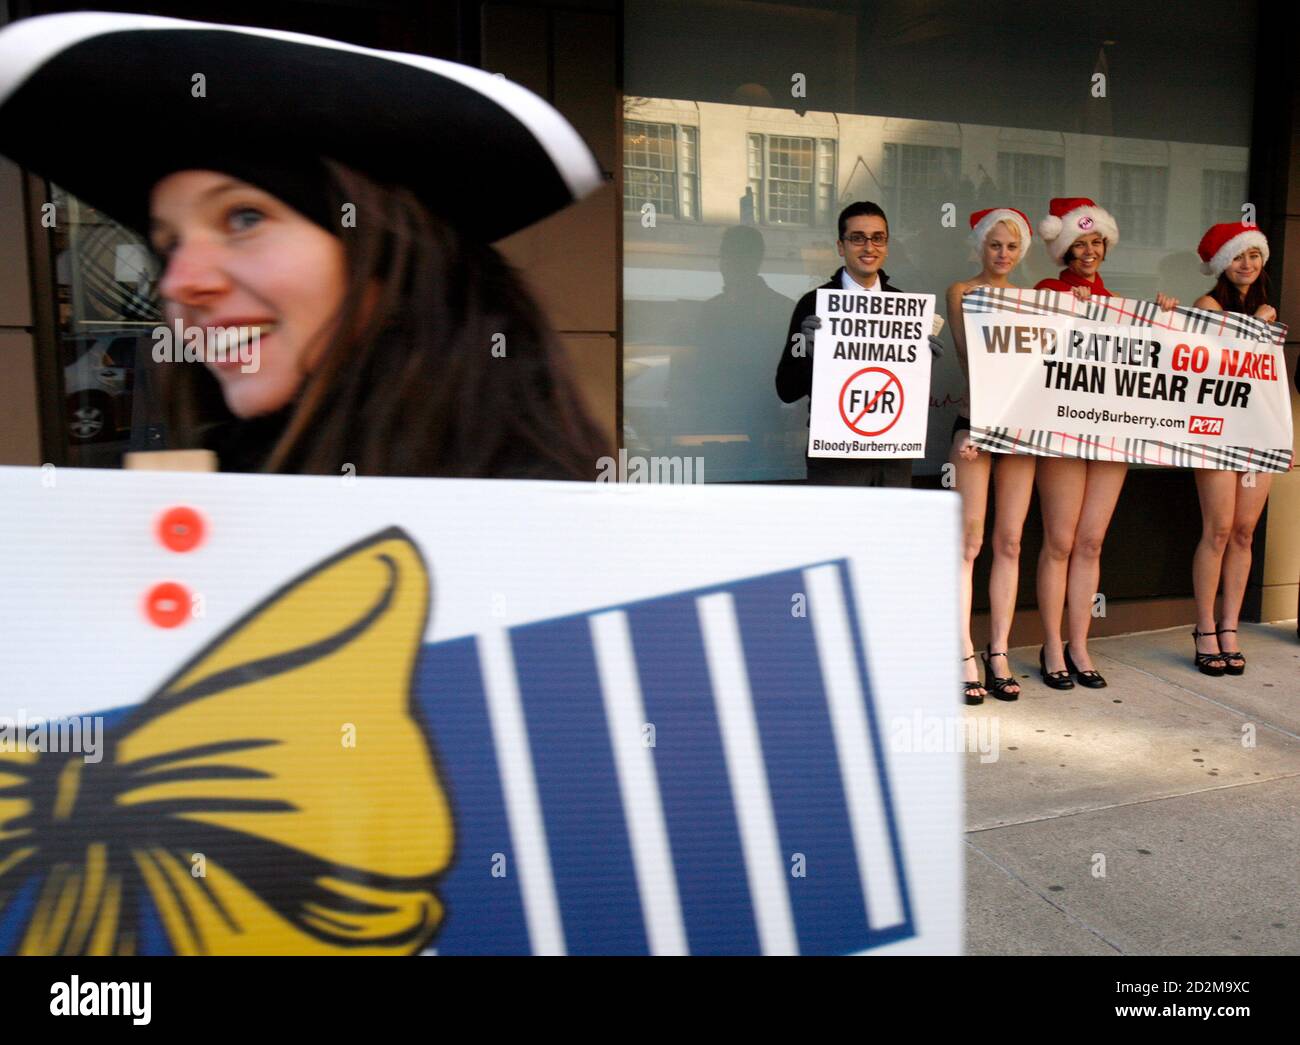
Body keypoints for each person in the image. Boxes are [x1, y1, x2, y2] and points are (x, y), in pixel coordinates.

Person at [0, 13, 610, 479]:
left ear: (396, 258)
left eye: (243, 217)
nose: (178, 283)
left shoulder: (551, 547)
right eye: (169, 243)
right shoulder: (202, 512)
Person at [1033, 198, 1179, 690]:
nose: (1090, 251)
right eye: (1080, 242)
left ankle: (1079, 643)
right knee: (1060, 541)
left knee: (1092, 542)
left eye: (1097, 242)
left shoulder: (1119, 304)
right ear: (1064, 248)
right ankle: (1051, 643)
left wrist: (1162, 320)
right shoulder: (1045, 293)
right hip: (1063, 431)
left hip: (1111, 433)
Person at [775, 200, 942, 488]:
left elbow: (904, 386)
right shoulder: (815, 304)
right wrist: (807, 353)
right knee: (838, 533)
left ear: (887, 245)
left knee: (890, 533)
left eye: (878, 238)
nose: (869, 247)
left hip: (893, 450)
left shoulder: (903, 305)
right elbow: (786, 390)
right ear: (841, 246)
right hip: (835, 454)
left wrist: (924, 361)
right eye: (857, 238)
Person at [946, 208, 1035, 704]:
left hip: (1021, 431)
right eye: (995, 244)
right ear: (981, 245)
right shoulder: (962, 291)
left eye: (1012, 246)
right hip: (975, 425)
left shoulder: (1036, 302)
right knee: (969, 542)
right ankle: (963, 650)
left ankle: (998, 650)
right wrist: (979, 424)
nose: (1003, 253)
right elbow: (968, 357)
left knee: (1010, 541)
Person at [1187, 222, 1278, 676]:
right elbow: (1210, 363)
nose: (1247, 264)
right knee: (1218, 530)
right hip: (1216, 430)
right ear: (1223, 262)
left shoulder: (1267, 309)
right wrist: (1257, 324)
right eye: (1238, 256)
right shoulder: (1208, 305)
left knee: (1244, 532)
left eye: (1254, 256)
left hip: (1257, 432)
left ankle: (1229, 628)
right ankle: (1204, 629)